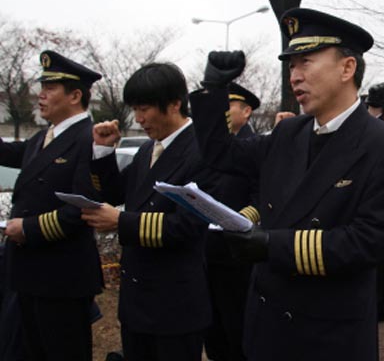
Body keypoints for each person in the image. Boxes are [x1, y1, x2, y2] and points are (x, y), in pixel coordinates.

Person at [189, 8, 384, 361]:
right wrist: (214, 90)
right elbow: (222, 156)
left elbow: (369, 241)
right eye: (291, 65)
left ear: (347, 68)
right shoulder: (288, 132)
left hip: (327, 332)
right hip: (267, 321)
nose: (295, 76)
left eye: (306, 62)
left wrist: (271, 245)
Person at [81, 63, 219, 361]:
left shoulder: (203, 151)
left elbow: (187, 226)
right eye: (135, 109)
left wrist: (120, 221)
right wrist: (103, 153)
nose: (139, 119)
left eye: (144, 109)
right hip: (137, 301)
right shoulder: (148, 150)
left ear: (174, 104)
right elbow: (116, 193)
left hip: (175, 305)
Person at [0, 50, 103, 361]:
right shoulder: (44, 137)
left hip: (62, 278)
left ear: (75, 95)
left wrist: (27, 228)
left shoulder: (90, 139)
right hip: (29, 274)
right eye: (41, 87)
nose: (40, 96)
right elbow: (9, 153)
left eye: (49, 89)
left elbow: (83, 209)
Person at [204, 82, 261, 361]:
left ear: (247, 111)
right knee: (212, 332)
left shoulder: (255, 147)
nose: (223, 113)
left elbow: (263, 198)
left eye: (229, 106)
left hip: (238, 253)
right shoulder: (211, 149)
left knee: (238, 329)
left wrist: (237, 221)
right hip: (207, 251)